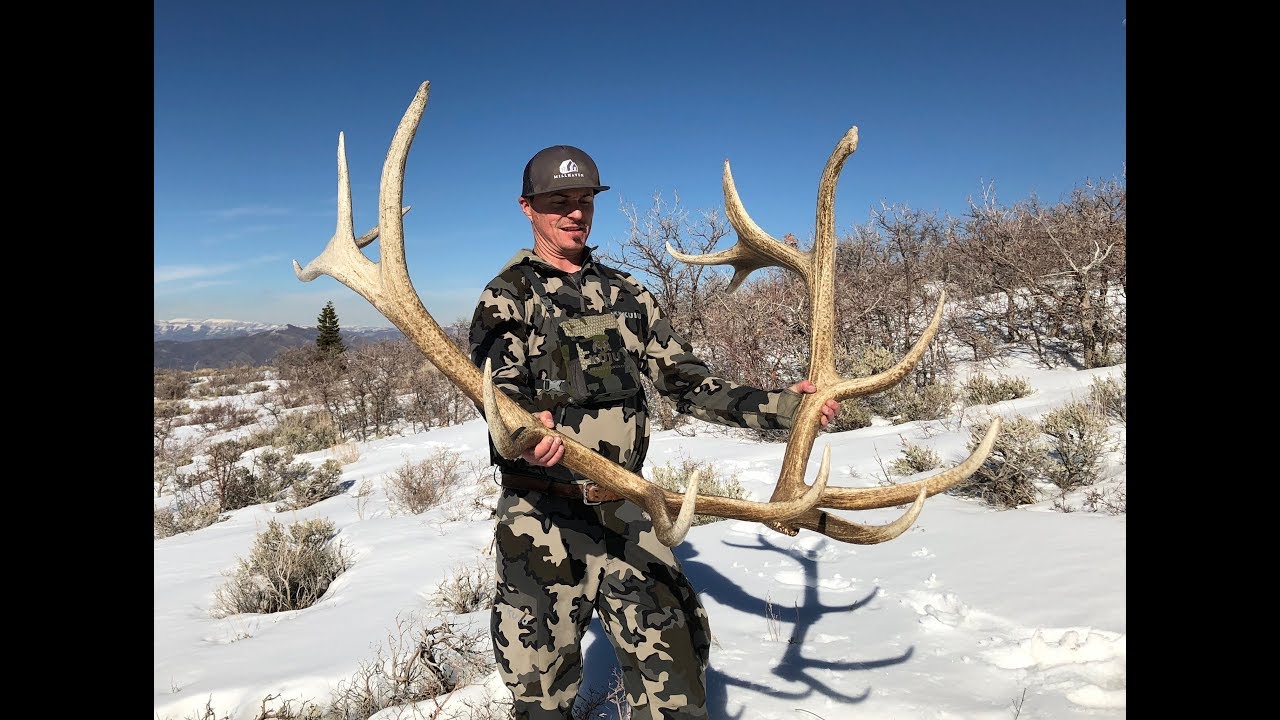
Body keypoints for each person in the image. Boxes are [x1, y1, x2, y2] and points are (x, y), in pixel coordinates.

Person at [468, 145, 839, 719]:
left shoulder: (630, 295)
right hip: (539, 517)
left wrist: (786, 406)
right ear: (528, 207)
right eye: (559, 202)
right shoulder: (506, 296)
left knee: (678, 683)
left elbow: (688, 383)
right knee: (539, 698)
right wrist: (520, 431)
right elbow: (495, 390)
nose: (575, 214)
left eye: (585, 201)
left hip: (630, 508)